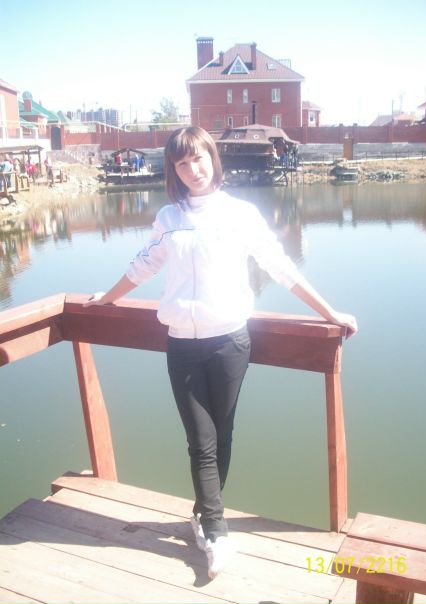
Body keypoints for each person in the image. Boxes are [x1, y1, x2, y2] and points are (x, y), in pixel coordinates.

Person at [84, 126, 357, 579]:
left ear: (213, 158)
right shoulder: (169, 219)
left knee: (222, 436)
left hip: (230, 341)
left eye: (199, 158)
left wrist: (330, 312)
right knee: (201, 441)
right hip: (182, 346)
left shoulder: (241, 215)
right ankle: (214, 529)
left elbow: (280, 267)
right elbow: (143, 266)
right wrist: (106, 299)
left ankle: (201, 512)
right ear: (174, 171)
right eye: (182, 163)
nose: (193, 169)